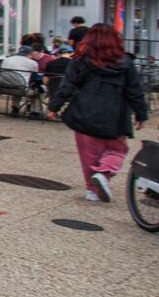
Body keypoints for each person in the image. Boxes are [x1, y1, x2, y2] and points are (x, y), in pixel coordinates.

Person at [49, 23, 149, 203]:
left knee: (89, 154)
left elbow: (68, 85)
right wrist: (141, 114)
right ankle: (104, 173)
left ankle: (92, 190)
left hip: (84, 111)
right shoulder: (126, 62)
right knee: (117, 150)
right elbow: (135, 91)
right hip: (115, 115)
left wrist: (54, 107)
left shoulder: (79, 60)